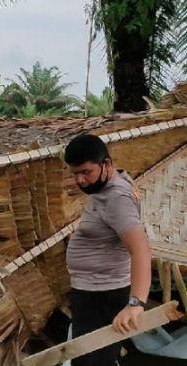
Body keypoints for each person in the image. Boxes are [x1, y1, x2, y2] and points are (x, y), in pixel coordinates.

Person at [64, 134, 151, 366]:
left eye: (85, 172)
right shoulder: (106, 186)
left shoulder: (116, 198)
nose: (80, 180)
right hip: (93, 292)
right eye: (75, 174)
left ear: (107, 164)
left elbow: (141, 251)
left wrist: (136, 304)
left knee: (93, 362)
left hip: (103, 295)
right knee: (89, 359)